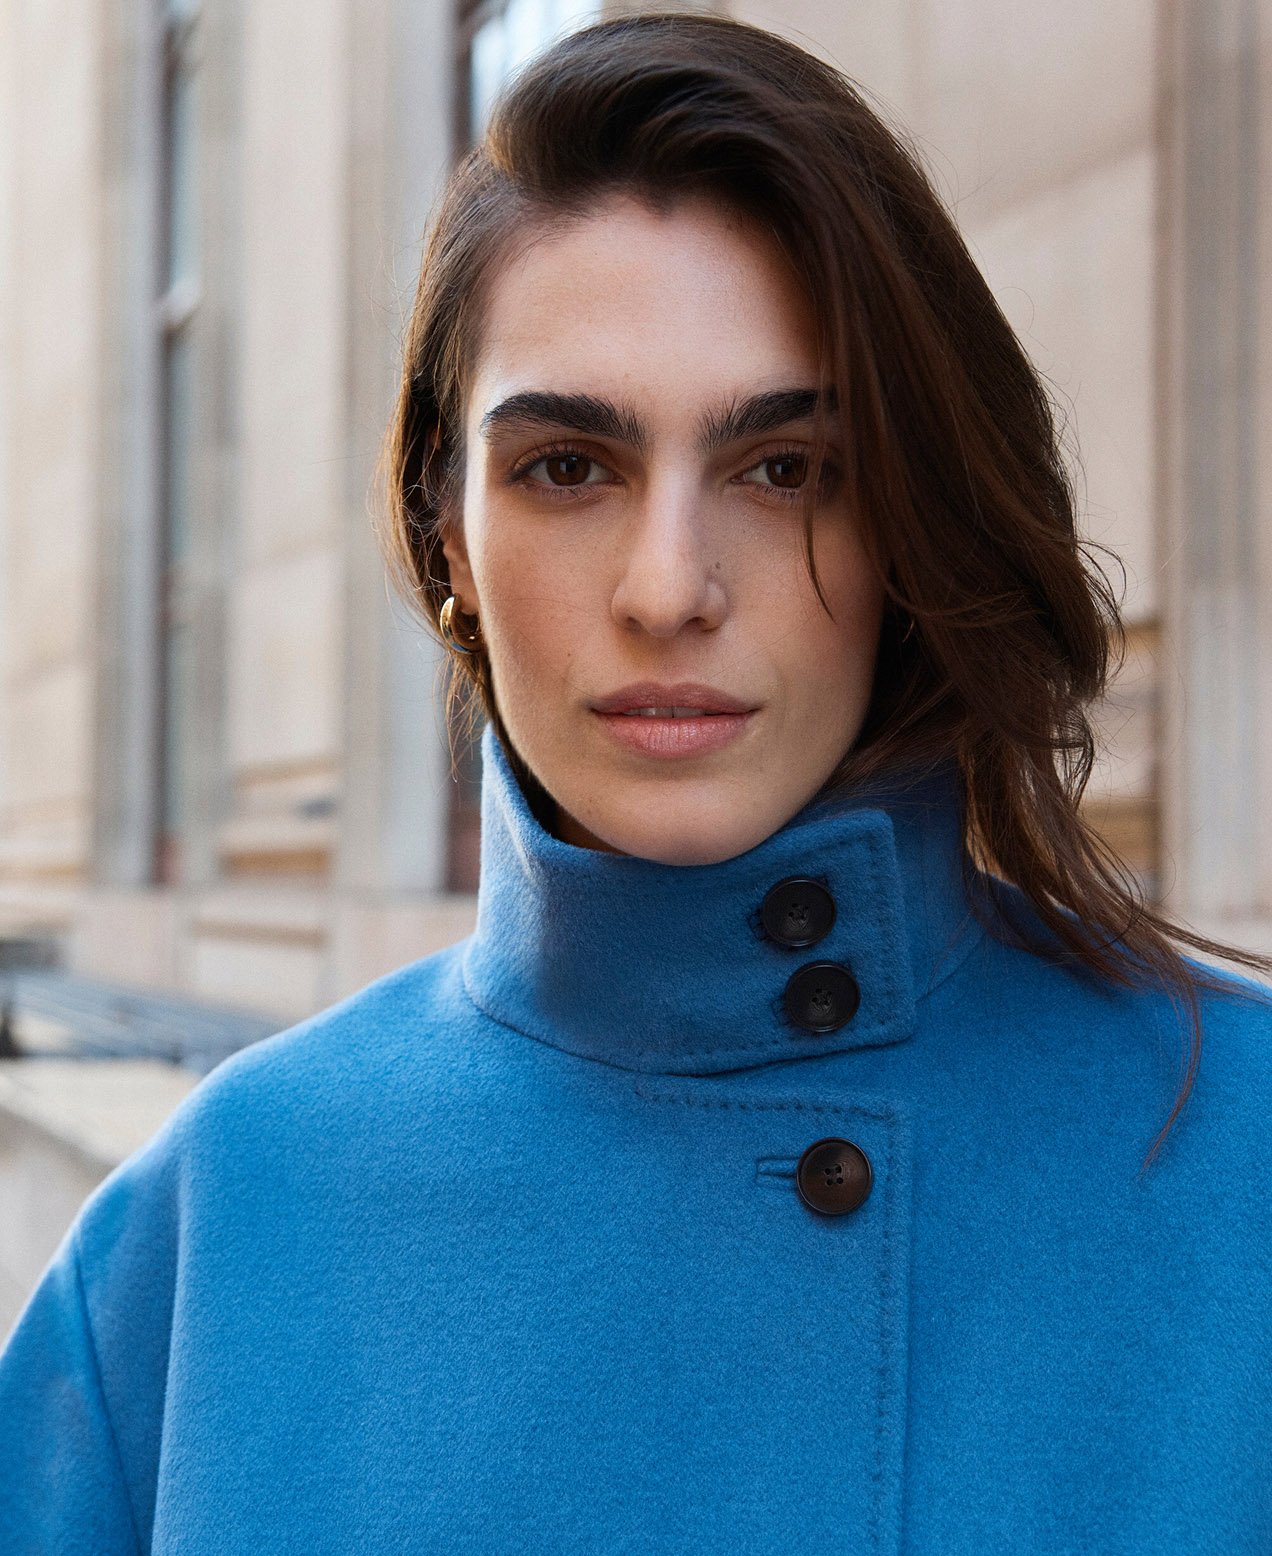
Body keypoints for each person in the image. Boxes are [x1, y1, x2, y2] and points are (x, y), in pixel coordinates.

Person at [4, 11, 1272, 1553]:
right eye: (569, 468)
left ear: (909, 525)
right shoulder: (213, 1235)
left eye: (787, 469)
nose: (670, 588)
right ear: (450, 533)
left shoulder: (1239, 1162)